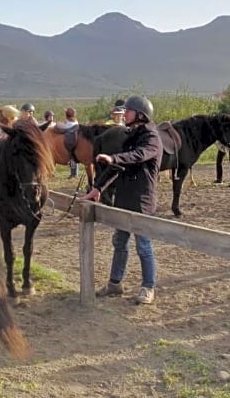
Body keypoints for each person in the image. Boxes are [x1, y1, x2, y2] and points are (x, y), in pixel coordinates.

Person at [81, 95, 161, 305]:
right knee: (119, 242)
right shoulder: (130, 135)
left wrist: (114, 158)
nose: (124, 114)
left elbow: (138, 156)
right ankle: (115, 284)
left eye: (128, 111)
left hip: (142, 202)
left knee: (143, 245)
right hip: (124, 199)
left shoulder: (152, 138)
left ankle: (148, 287)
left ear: (140, 115)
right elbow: (116, 167)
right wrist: (97, 188)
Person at [62, 107, 80, 178]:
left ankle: (74, 174)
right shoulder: (75, 121)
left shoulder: (69, 122)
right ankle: (74, 173)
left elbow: (65, 127)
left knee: (72, 156)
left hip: (72, 137)